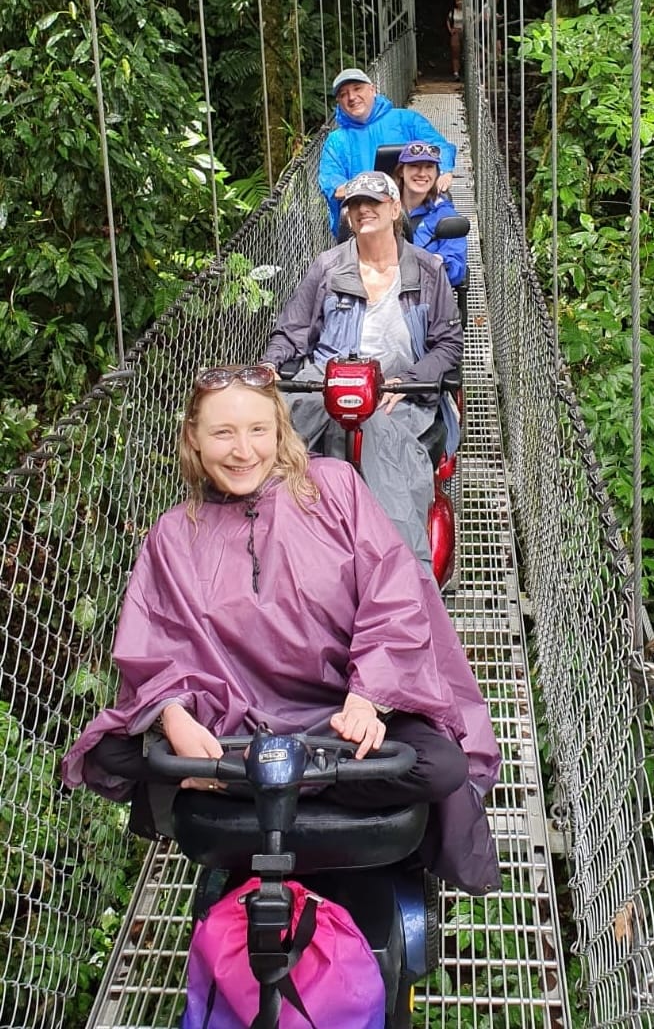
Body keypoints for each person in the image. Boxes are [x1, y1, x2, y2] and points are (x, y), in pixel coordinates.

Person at [61, 367, 500, 895]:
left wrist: (366, 699)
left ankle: (261, 788)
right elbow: (153, 644)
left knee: (439, 765)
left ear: (279, 433)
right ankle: (279, 781)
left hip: (334, 725)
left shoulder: (333, 489)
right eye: (223, 433)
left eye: (257, 431)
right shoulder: (174, 534)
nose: (242, 450)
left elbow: (394, 594)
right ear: (195, 441)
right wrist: (174, 718)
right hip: (238, 728)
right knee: (113, 750)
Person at [259, 170, 462, 571]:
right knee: (261, 446)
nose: (363, 209)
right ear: (348, 216)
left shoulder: (427, 270)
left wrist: (409, 381)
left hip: (396, 394)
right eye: (354, 204)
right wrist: (270, 363)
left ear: (394, 207)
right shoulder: (327, 267)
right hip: (324, 387)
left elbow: (448, 344)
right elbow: (293, 332)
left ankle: (405, 578)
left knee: (388, 461)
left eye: (373, 201)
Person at [318, 67, 457, 234]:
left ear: (373, 90)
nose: (352, 97)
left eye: (357, 89)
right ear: (339, 102)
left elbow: (438, 147)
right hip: (365, 222)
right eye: (343, 94)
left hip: (413, 212)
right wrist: (367, 190)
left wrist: (445, 170)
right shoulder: (336, 141)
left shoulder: (405, 120)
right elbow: (332, 183)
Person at [394, 141, 468, 288]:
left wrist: (436, 265)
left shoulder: (445, 215)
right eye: (414, 166)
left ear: (436, 173)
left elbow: (457, 268)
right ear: (401, 171)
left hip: (425, 293)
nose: (422, 173)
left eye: (429, 167)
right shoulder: (382, 208)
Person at [446, 0, 464, 80]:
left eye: (461, 0)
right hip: (456, 32)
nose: (460, 2)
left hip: (465, 32)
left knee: (467, 52)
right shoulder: (453, 11)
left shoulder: (467, 11)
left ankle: (466, 71)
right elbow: (448, 21)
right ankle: (456, 73)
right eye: (458, 0)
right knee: (455, 52)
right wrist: (450, 30)